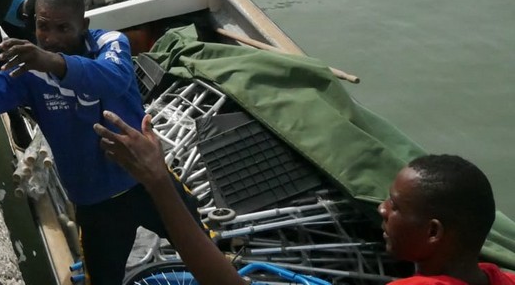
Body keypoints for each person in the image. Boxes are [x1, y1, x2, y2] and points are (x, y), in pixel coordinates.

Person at [0, 0, 200, 285]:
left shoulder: (110, 44)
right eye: (42, 27)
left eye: (63, 28)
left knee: (207, 254)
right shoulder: (29, 74)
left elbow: (112, 80)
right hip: (95, 205)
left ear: (84, 25)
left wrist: (52, 62)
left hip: (149, 184)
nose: (51, 39)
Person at [94, 114, 515, 285]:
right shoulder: (498, 277)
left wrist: (158, 179)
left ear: (434, 232)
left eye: (396, 206)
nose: (381, 211)